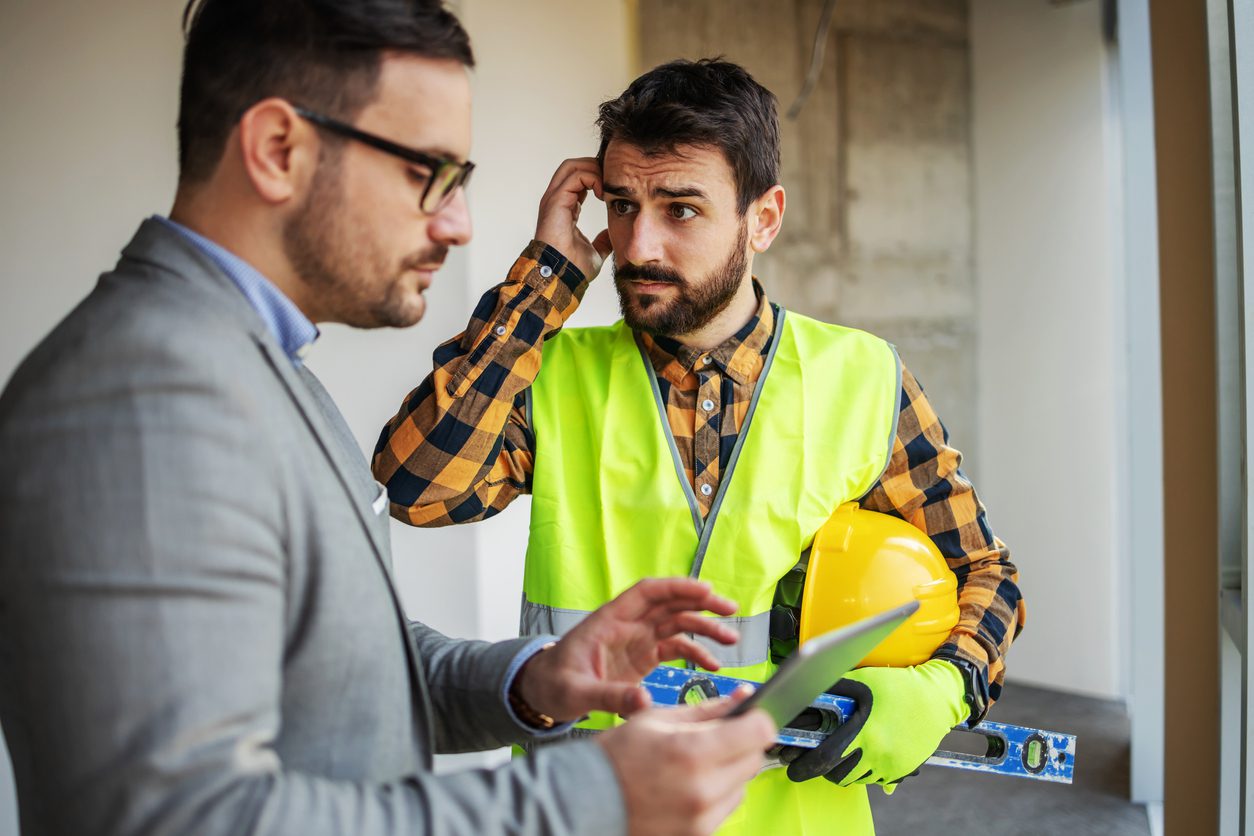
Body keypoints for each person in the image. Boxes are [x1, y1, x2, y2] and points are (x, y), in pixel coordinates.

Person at [0, 5, 780, 835]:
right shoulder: (144, 399)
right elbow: (181, 820)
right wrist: (593, 798)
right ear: (277, 151)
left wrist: (532, 679)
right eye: (429, 173)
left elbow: (343, 670)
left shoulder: (253, 367)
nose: (459, 223)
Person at [373, 58, 1027, 834]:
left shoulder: (864, 377)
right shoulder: (553, 373)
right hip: (590, 813)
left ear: (764, 218)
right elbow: (416, 486)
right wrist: (545, 277)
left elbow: (985, 573)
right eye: (621, 204)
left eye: (680, 209)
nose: (637, 245)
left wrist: (940, 690)